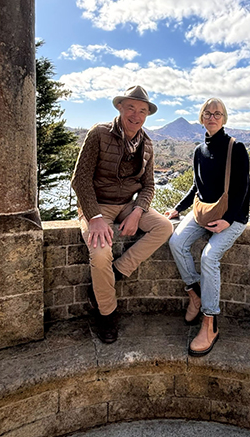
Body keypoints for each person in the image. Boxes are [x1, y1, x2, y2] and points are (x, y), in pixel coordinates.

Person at [71, 85, 174, 344]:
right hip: (97, 206)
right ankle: (107, 314)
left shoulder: (147, 144)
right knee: (100, 251)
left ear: (147, 114)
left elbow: (149, 186)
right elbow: (80, 179)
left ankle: (117, 272)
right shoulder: (99, 134)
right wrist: (93, 217)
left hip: (128, 205)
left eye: (142, 110)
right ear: (120, 107)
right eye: (131, 107)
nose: (136, 115)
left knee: (164, 227)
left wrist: (138, 211)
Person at [165, 98, 250, 356]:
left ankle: (210, 322)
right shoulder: (199, 151)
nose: (212, 117)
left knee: (209, 256)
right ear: (202, 118)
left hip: (232, 217)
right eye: (207, 113)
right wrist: (178, 209)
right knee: (176, 242)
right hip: (204, 212)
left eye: (217, 113)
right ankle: (195, 293)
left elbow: (242, 189)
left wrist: (228, 220)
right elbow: (196, 187)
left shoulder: (237, 148)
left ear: (224, 118)